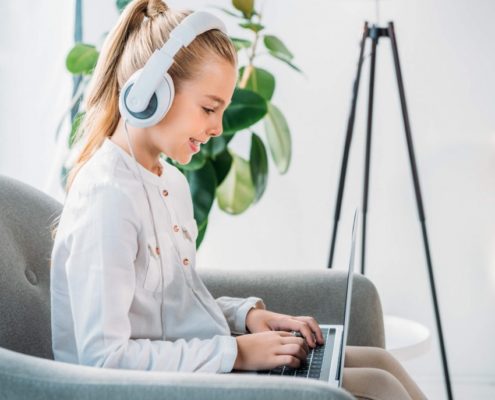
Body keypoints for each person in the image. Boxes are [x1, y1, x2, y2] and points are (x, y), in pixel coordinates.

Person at [49, 1, 427, 399]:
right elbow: (102, 361)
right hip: (153, 390)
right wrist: (235, 352)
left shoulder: (169, 183)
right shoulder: (107, 196)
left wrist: (246, 317)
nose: (217, 128)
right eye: (209, 108)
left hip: (193, 373)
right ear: (151, 93)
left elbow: (172, 306)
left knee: (383, 364)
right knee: (378, 386)